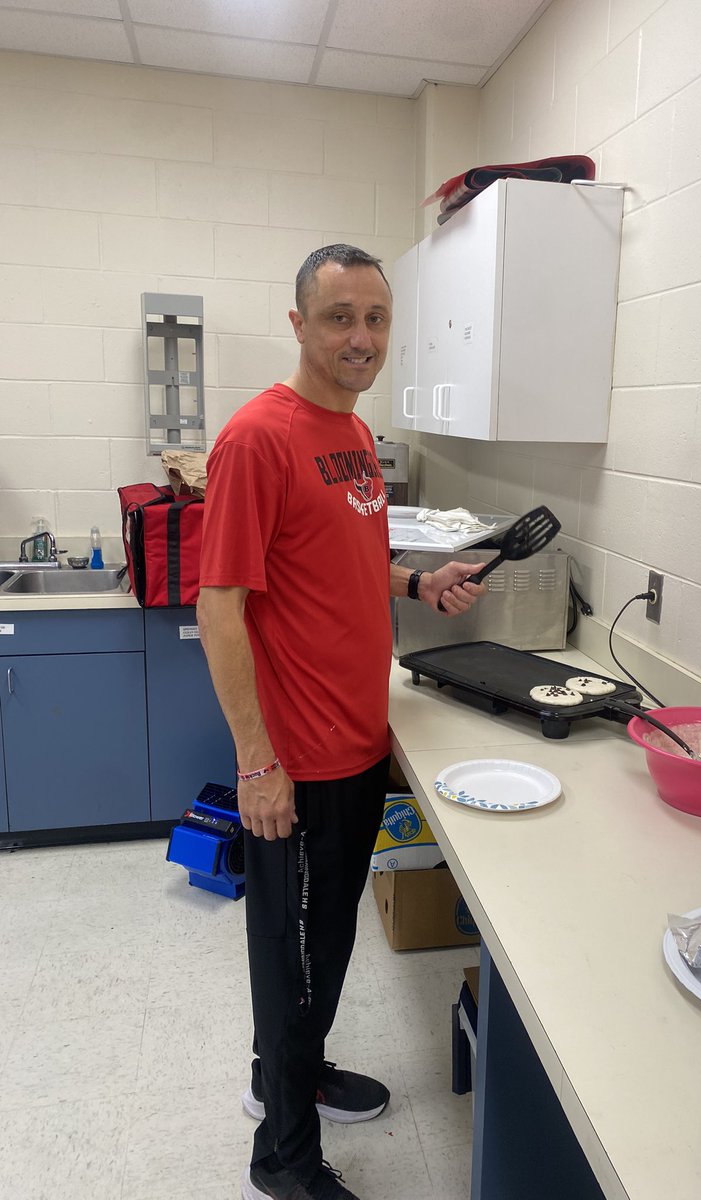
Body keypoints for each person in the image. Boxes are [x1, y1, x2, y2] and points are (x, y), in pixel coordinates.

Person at [197, 243, 485, 1200]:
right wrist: (256, 763)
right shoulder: (257, 439)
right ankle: (281, 1154)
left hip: (358, 741)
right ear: (298, 325)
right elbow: (221, 605)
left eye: (375, 319)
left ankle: (295, 1072)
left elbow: (341, 562)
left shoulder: (355, 436)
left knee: (327, 944)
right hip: (296, 759)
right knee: (287, 953)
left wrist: (415, 579)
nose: (361, 339)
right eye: (339, 318)